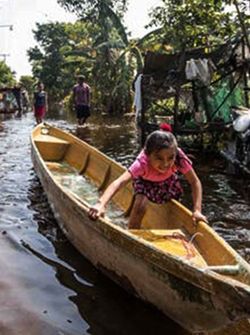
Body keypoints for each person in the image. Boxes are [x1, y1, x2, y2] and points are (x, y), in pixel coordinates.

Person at [89, 130, 207, 229]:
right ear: (148, 155)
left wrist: (197, 210)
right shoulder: (142, 163)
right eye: (159, 158)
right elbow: (119, 182)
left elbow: (195, 182)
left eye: (170, 158)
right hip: (145, 182)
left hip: (168, 181)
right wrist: (101, 204)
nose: (165, 164)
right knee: (140, 206)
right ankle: (133, 231)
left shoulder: (179, 158)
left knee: (172, 209)